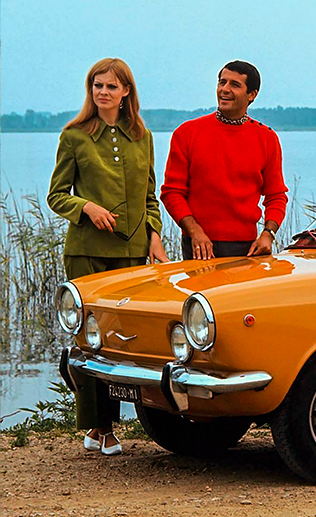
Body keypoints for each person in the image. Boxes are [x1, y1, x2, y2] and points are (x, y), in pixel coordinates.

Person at [48, 58, 169, 455]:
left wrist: (154, 236)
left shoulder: (142, 137)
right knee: (88, 341)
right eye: (97, 85)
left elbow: (150, 198)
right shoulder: (74, 136)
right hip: (87, 253)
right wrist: (86, 207)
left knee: (122, 343)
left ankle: (109, 425)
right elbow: (56, 196)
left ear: (125, 92)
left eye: (111, 86)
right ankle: (100, 426)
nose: (103, 92)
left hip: (132, 255)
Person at [161, 60, 288, 260]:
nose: (224, 89)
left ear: (252, 95)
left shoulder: (267, 138)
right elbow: (172, 193)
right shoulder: (186, 133)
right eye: (222, 82)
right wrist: (194, 231)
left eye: (234, 85)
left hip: (247, 249)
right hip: (198, 246)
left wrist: (268, 235)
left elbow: (276, 195)